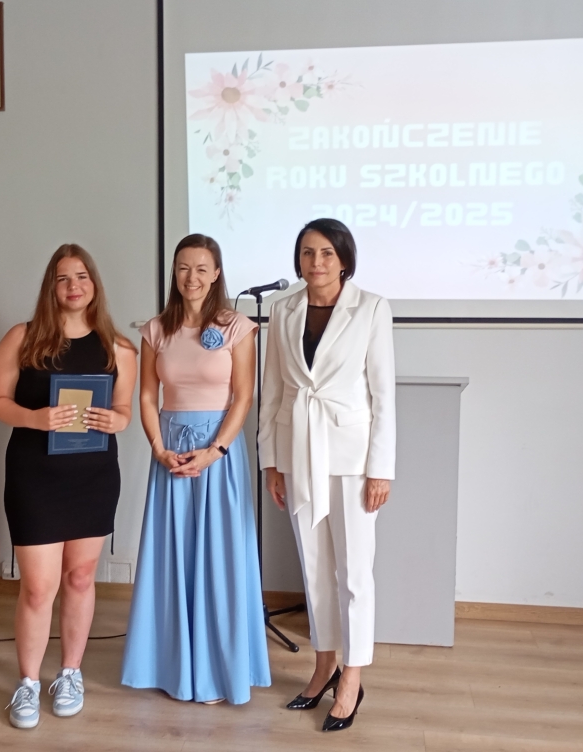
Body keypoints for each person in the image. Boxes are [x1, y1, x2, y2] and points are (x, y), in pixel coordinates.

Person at [0, 243, 137, 729]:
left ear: (94, 284)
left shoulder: (119, 346)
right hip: (35, 476)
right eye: (63, 278)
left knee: (80, 577)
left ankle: (70, 674)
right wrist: (35, 417)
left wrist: (117, 421)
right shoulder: (23, 337)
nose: (74, 286)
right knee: (38, 587)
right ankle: (28, 682)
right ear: (51, 287)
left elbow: (125, 410)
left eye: (81, 276)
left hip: (93, 477)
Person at [121, 234, 270, 705]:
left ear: (217, 273)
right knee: (173, 556)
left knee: (219, 559)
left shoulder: (237, 327)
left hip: (217, 455)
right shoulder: (155, 329)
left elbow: (243, 396)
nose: (192, 277)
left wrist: (215, 451)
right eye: (184, 267)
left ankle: (217, 672)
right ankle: (170, 668)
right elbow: (148, 397)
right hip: (169, 451)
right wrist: (158, 448)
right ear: (174, 271)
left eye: (202, 268)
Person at [259, 218, 395, 732]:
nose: (315, 262)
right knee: (314, 570)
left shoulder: (372, 308)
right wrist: (271, 461)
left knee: (354, 573)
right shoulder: (283, 309)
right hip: (297, 452)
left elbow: (383, 395)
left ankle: (352, 678)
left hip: (353, 458)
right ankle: (323, 667)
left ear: (344, 260)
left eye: (326, 253)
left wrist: (381, 469)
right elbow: (273, 391)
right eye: (307, 253)